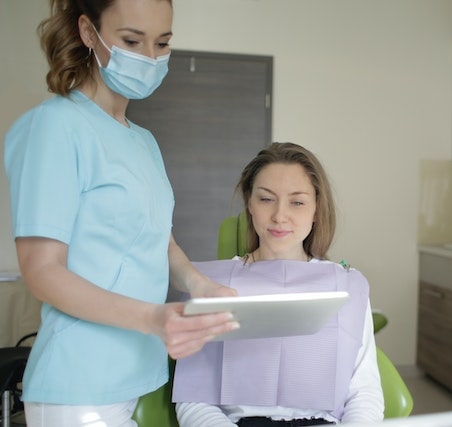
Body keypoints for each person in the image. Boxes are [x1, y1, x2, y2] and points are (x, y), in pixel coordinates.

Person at [3, 0, 238, 425]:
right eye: (132, 41)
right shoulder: (54, 126)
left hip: (137, 374)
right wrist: (153, 318)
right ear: (89, 32)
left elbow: (158, 240)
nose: (149, 58)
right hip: (78, 384)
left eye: (162, 42)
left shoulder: (143, 141)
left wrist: (200, 285)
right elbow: (41, 270)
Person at [173, 142, 384, 426]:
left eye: (297, 202)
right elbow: (193, 399)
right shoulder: (209, 286)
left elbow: (365, 392)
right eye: (266, 199)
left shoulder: (346, 286)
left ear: (316, 210)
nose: (279, 216)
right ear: (249, 203)